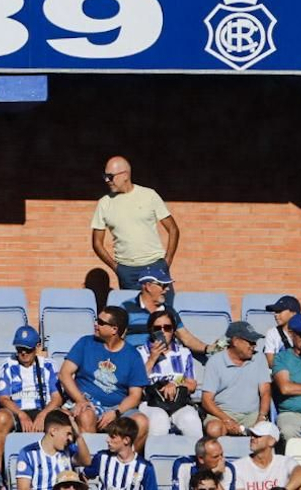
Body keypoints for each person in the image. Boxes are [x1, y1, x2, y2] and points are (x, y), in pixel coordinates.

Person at [59, 307, 151, 444]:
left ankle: (128, 462)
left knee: (141, 422)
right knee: (86, 415)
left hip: (117, 407)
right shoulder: (86, 343)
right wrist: (80, 400)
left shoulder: (133, 356)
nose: (96, 324)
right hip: (87, 401)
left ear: (114, 329)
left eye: (101, 322)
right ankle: (91, 462)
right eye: (97, 320)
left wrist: (116, 412)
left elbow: (135, 395)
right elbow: (64, 374)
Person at [91, 158, 178, 289]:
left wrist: (167, 262)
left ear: (125, 175)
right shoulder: (104, 203)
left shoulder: (149, 195)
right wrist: (117, 268)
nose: (107, 180)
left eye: (110, 176)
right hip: (127, 271)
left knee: (163, 309)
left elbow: (173, 229)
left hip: (155, 266)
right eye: (105, 176)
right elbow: (97, 243)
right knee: (131, 310)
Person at [0, 327, 64, 468]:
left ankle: (60, 466)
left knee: (64, 419)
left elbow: (57, 398)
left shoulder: (49, 365)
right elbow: (4, 398)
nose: (23, 353)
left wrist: (43, 415)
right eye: (20, 349)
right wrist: (21, 414)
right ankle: (0, 468)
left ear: (37, 347)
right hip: (17, 410)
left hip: (42, 409)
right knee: (0, 418)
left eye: (28, 349)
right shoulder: (8, 365)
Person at [136, 309, 204, 442]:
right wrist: (152, 358)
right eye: (157, 328)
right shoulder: (140, 353)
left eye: (167, 328)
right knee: (158, 420)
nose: (162, 332)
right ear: (150, 330)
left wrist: (174, 384)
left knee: (191, 420)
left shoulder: (184, 353)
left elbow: (191, 384)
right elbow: (137, 382)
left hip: (179, 403)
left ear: (173, 331)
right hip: (151, 402)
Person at [201, 321, 271, 438]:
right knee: (214, 429)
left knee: (266, 433)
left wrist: (261, 417)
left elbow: (265, 392)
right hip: (222, 414)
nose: (254, 346)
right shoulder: (215, 362)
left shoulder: (259, 358)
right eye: (251, 342)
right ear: (235, 341)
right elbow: (207, 400)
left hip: (252, 415)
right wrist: (227, 420)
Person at [12, 409, 91, 490]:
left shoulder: (69, 449)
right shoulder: (28, 453)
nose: (70, 438)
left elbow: (86, 461)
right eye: (68, 434)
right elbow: (23, 488)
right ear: (53, 431)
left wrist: (78, 436)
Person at [82, 416, 156, 490]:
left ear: (126, 440)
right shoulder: (102, 458)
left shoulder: (145, 468)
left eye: (112, 437)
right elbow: (83, 476)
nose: (107, 440)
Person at [235, 423, 301, 490]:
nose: (252, 438)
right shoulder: (238, 466)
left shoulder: (284, 462)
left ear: (271, 441)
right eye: (252, 435)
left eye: (258, 436)